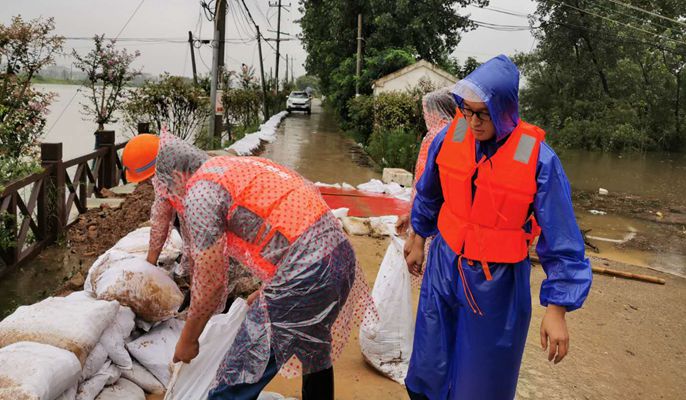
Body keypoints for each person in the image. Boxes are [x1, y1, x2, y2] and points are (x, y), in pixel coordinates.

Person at [121, 132, 373, 400]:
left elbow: (211, 284)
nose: (161, 192)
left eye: (159, 184)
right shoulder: (225, 168)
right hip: (338, 258)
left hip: (306, 273)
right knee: (313, 350)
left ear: (171, 174)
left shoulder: (200, 195)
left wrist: (188, 339)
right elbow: (287, 231)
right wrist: (269, 289)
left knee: (237, 379)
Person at [404, 55, 593, 400]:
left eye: (483, 113)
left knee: (482, 380)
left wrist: (557, 309)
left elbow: (563, 239)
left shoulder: (539, 159)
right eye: (467, 111)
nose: (473, 122)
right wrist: (418, 238)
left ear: (504, 110)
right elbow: (430, 192)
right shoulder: (452, 136)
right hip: (444, 266)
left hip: (497, 283)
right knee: (430, 365)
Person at [396, 88, 457, 267]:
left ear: (435, 110)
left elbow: (423, 187)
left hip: (429, 224)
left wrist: (414, 232)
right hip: (451, 224)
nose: (425, 116)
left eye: (426, 111)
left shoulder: (433, 137)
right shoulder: (461, 135)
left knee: (426, 268)